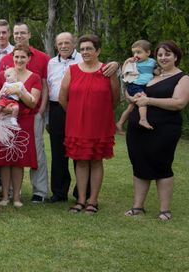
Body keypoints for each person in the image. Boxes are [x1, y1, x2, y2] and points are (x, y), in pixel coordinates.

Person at [125, 41, 189, 220]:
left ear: (176, 57)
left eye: (167, 54)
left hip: (164, 129)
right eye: (160, 55)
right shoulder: (151, 75)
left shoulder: (183, 78)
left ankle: (165, 210)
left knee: (162, 165)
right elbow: (133, 91)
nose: (163, 58)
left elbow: (179, 102)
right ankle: (138, 207)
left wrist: (149, 101)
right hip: (137, 130)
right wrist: (131, 96)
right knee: (139, 165)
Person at [59, 35, 120, 214]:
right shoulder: (72, 70)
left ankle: (93, 201)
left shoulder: (107, 70)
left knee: (96, 160)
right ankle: (80, 200)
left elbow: (115, 98)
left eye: (89, 49)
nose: (85, 52)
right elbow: (63, 97)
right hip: (77, 123)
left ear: (98, 51)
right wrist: (76, 112)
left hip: (99, 124)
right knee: (82, 162)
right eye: (83, 49)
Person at [0, 23, 49, 203]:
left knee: (36, 152)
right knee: (9, 153)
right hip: (7, 115)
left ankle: (40, 191)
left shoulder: (42, 58)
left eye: (23, 33)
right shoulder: (5, 60)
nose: (19, 36)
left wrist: (40, 111)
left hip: (31, 114)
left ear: (29, 34)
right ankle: (9, 192)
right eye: (17, 33)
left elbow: (44, 86)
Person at [0, 43, 42, 208]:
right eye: (16, 57)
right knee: (5, 160)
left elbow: (33, 103)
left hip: (23, 121)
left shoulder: (34, 77)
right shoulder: (3, 75)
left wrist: (20, 92)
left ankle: (17, 196)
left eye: (23, 57)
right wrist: (3, 106)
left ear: (28, 59)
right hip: (5, 120)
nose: (19, 60)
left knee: (18, 160)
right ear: (12, 58)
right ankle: (5, 196)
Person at [46, 32, 82, 203]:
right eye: (60, 43)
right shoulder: (51, 63)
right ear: (56, 45)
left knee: (79, 151)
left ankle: (82, 192)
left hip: (77, 108)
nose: (63, 46)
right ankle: (59, 192)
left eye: (67, 42)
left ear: (74, 43)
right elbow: (49, 86)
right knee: (58, 152)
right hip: (56, 109)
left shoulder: (83, 59)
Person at [117, 40, 157, 132]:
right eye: (134, 52)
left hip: (145, 86)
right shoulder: (133, 63)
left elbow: (156, 71)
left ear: (148, 52)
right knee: (143, 99)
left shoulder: (152, 62)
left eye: (138, 52)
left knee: (131, 107)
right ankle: (143, 119)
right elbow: (124, 73)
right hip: (135, 85)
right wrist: (127, 61)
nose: (136, 55)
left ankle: (120, 122)